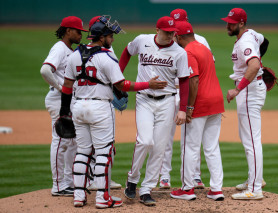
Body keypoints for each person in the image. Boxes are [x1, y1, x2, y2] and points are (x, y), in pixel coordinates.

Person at [60, 15, 167, 208]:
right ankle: (102, 198)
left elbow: (67, 85)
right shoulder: (106, 57)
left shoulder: (74, 54)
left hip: (77, 107)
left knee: (83, 152)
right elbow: (122, 84)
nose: (113, 39)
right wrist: (147, 85)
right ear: (101, 37)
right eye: (110, 35)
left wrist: (63, 112)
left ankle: (78, 196)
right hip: (99, 108)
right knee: (103, 152)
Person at [119, 16, 190, 206]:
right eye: (166, 32)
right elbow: (127, 51)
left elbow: (184, 81)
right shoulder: (142, 40)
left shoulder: (179, 52)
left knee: (159, 147)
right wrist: (117, 76)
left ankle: (147, 189)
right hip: (144, 99)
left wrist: (182, 109)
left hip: (167, 102)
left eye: (172, 32)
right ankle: (132, 180)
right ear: (157, 30)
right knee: (145, 140)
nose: (170, 36)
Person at [159, 8, 214, 190]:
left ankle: (195, 176)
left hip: (187, 93)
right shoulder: (166, 42)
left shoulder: (200, 41)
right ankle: (164, 176)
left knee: (190, 138)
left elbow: (207, 67)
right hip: (169, 93)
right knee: (165, 137)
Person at [169, 21, 225, 201]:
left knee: (190, 147)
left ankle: (187, 189)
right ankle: (216, 190)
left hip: (200, 103)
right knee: (212, 147)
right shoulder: (204, 47)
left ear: (179, 36)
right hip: (216, 101)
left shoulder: (188, 52)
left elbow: (193, 81)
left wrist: (188, 107)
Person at [221, 8, 269, 200]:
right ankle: (254, 179)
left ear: (241, 24)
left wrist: (237, 89)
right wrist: (259, 57)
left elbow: (254, 65)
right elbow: (265, 41)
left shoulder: (246, 41)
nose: (227, 25)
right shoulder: (252, 35)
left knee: (251, 141)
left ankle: (256, 189)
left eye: (231, 23)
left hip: (248, 91)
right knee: (247, 138)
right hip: (252, 87)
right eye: (227, 21)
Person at [40, 16, 87, 196]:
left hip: (66, 100)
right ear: (68, 31)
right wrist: (62, 88)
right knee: (60, 140)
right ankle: (58, 185)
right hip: (58, 99)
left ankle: (69, 182)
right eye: (78, 31)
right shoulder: (59, 48)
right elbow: (45, 70)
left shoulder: (69, 50)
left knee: (73, 141)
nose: (80, 35)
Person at [85, 15, 122, 191]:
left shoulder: (98, 48)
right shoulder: (102, 51)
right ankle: (95, 181)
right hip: (98, 99)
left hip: (94, 98)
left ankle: (101, 178)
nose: (112, 34)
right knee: (101, 143)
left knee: (101, 142)